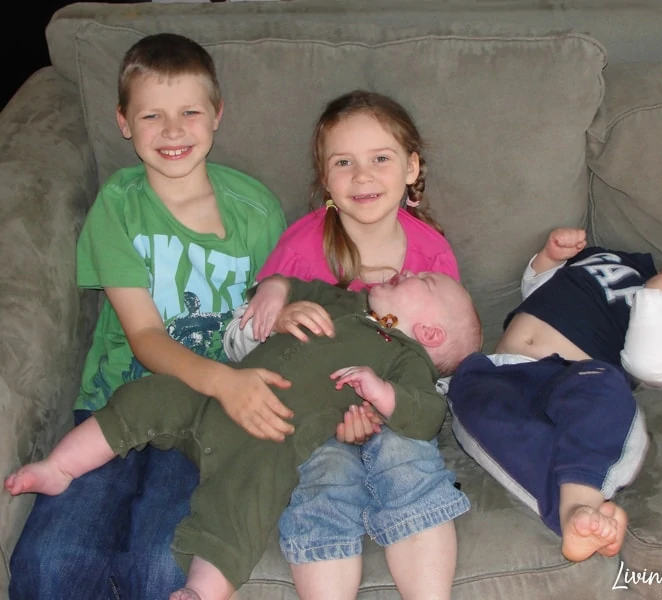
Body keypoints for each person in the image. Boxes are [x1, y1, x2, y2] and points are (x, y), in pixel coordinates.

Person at [7, 33, 289, 599]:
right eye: (151, 115)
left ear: (216, 115)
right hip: (114, 403)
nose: (173, 130)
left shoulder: (257, 210)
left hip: (203, 425)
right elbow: (143, 335)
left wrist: (281, 291)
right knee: (51, 562)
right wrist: (226, 382)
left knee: (163, 569)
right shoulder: (120, 204)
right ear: (123, 123)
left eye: (189, 111)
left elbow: (281, 307)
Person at [5, 272, 483, 600]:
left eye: (425, 281)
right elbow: (293, 283)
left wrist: (382, 394)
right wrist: (276, 292)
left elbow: (425, 414)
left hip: (271, 435)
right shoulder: (345, 300)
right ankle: (61, 466)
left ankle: (203, 589)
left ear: (429, 333)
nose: (409, 272)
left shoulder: (405, 359)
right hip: (222, 391)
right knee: (145, 396)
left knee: (242, 506)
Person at [227, 89, 472, 600]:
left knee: (410, 463)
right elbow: (249, 345)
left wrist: (387, 409)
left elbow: (444, 356)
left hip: (395, 407)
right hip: (311, 416)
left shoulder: (431, 252)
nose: (362, 176)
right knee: (325, 481)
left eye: (380, 159)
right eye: (344, 162)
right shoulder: (301, 244)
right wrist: (276, 307)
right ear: (326, 180)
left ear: (411, 168)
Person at [446, 227, 662, 564]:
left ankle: (578, 507)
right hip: (501, 373)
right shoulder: (616, 259)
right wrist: (549, 260)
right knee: (468, 390)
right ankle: (574, 511)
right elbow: (540, 293)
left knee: (608, 390)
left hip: (571, 383)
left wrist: (656, 296)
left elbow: (650, 369)